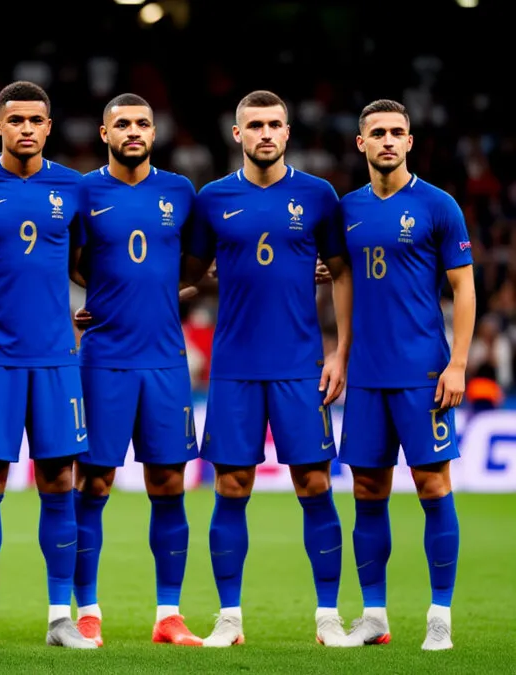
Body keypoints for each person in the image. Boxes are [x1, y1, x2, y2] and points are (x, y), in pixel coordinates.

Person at [183, 90, 353, 647]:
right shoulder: (212, 198)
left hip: (301, 366)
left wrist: (340, 351)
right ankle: (229, 618)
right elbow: (189, 274)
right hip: (233, 368)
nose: (265, 133)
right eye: (254, 125)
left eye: (274, 124)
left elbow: (343, 272)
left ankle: (328, 617)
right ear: (237, 134)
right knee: (231, 485)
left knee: (314, 483)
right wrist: (119, 298)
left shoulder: (319, 196)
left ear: (287, 132)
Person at [0, 81, 97, 650]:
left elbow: (84, 261)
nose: (26, 128)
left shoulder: (72, 186)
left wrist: (104, 303)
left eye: (36, 120)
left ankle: (60, 618)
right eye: (16, 120)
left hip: (57, 356)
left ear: (49, 127)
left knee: (59, 480)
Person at [66, 93, 203, 647]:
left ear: (154, 131)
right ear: (105, 133)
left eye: (142, 123)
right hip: (104, 358)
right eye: (122, 124)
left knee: (168, 482)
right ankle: (87, 612)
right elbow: (71, 261)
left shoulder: (180, 191)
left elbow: (196, 264)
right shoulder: (83, 191)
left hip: (166, 360)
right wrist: (101, 294)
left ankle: (169, 615)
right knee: (93, 482)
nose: (133, 131)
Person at [337, 99, 475, 651]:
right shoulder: (346, 209)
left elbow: (464, 287)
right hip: (366, 377)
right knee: (367, 490)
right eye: (378, 133)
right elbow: (340, 276)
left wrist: (458, 363)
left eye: (398, 132)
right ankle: (374, 616)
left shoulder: (438, 205)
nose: (389, 140)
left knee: (432, 485)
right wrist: (339, 352)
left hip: (424, 374)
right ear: (362, 144)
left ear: (410, 142)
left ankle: (440, 616)